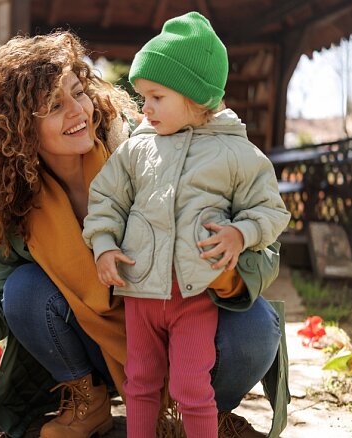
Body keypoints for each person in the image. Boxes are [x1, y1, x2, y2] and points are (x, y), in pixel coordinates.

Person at [0, 30, 283, 438]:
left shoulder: (148, 150)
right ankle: (89, 402)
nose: (77, 110)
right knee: (24, 288)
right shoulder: (18, 206)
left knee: (257, 327)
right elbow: (0, 307)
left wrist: (224, 262)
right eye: (53, 105)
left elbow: (266, 246)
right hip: (102, 347)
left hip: (189, 320)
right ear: (17, 129)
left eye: (78, 91)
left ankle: (210, 414)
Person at [81, 12, 291, 437]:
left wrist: (241, 233)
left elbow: (270, 211)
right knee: (139, 381)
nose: (146, 107)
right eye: (143, 96)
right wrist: (103, 243)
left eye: (157, 96)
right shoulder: (137, 150)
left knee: (191, 385)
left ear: (195, 97)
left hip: (195, 295)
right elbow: (106, 200)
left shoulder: (236, 153)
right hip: (140, 290)